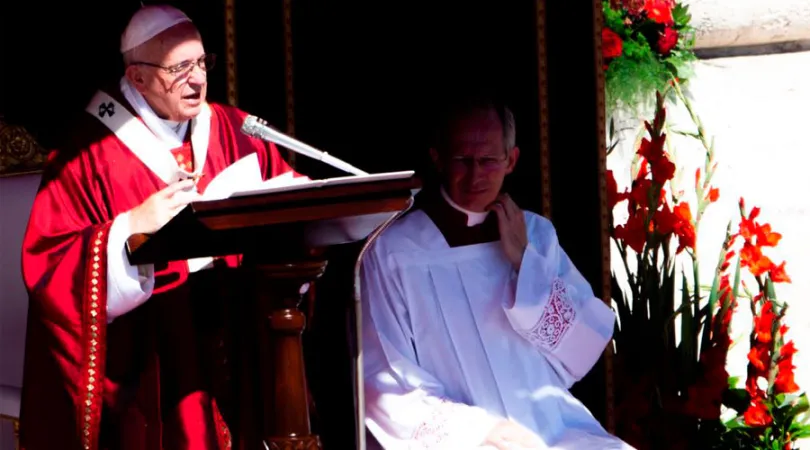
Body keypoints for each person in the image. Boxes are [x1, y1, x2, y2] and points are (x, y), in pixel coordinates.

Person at [18, 5, 303, 449]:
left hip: (238, 336)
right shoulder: (90, 152)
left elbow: (289, 199)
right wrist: (131, 229)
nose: (197, 80)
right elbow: (50, 267)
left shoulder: (233, 128)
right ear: (138, 78)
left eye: (202, 63)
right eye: (180, 68)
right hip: (152, 354)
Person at [359, 98, 634, 449]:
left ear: (511, 160)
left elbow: (581, 348)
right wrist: (478, 432)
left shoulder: (537, 234)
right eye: (463, 160)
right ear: (438, 158)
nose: (475, 175)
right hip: (467, 438)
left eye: (488, 160)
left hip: (553, 427)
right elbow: (384, 377)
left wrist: (525, 262)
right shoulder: (392, 251)